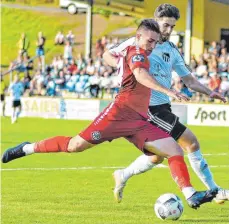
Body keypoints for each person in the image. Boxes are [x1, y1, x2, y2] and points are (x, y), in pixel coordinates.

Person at [2, 19, 217, 209]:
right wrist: (168, 90)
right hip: (118, 114)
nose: (153, 45)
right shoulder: (136, 53)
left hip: (139, 120)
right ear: (138, 37)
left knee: (173, 148)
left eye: (155, 41)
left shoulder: (144, 54)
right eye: (149, 41)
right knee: (74, 146)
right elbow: (140, 75)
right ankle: (27, 148)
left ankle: (191, 194)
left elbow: (123, 64)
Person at [104, 4, 228, 204]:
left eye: (172, 26)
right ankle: (214, 191)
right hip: (148, 107)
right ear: (155, 20)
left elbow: (189, 80)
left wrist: (209, 91)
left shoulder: (171, 49)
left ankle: (123, 174)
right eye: (165, 25)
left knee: (156, 157)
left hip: (163, 106)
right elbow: (107, 55)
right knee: (191, 142)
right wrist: (127, 68)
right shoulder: (137, 43)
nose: (168, 30)